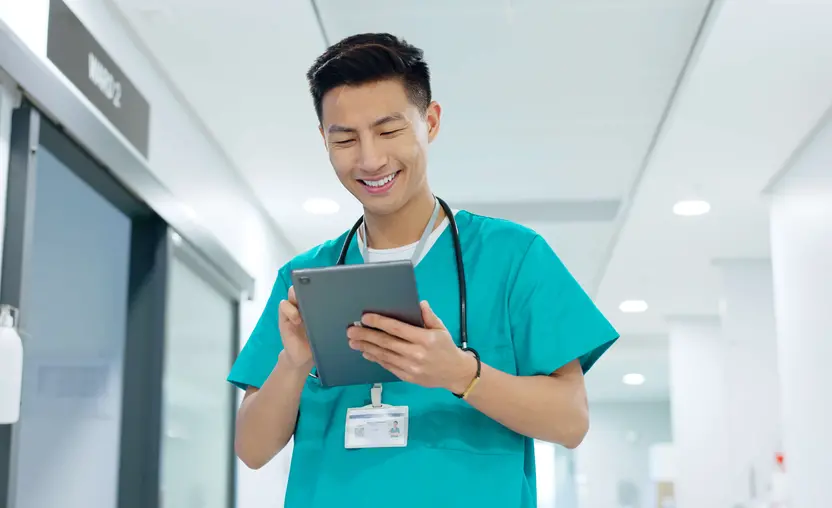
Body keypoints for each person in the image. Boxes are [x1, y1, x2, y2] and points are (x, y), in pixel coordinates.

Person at [228, 33, 619, 508]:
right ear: (324, 141)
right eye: (346, 139)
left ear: (429, 122)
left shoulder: (512, 257)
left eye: (389, 131)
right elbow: (251, 450)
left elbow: (571, 421)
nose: (370, 159)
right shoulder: (305, 277)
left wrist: (460, 373)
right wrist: (293, 364)